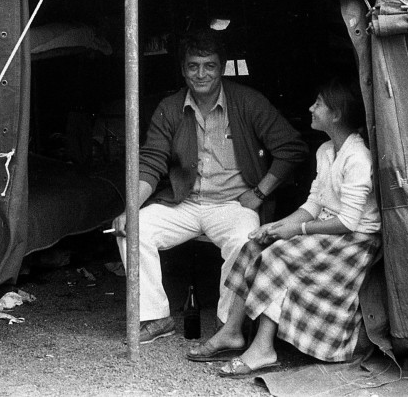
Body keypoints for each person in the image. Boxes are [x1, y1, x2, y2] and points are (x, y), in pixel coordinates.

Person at [113, 28, 308, 344]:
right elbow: (151, 164)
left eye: (209, 65)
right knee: (132, 229)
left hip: (233, 204)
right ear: (183, 69)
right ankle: (154, 317)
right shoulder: (170, 107)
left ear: (222, 66)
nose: (200, 74)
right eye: (193, 66)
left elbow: (291, 148)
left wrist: (259, 193)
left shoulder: (248, 101)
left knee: (245, 240)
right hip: (184, 202)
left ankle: (227, 325)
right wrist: (129, 209)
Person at [186, 77, 381, 378]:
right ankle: (232, 331)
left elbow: (348, 222)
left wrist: (297, 231)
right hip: (326, 229)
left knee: (277, 256)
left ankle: (264, 347)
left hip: (354, 241)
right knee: (256, 244)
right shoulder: (327, 150)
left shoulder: (358, 157)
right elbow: (314, 203)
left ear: (337, 114)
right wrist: (278, 225)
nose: (311, 108)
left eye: (319, 104)